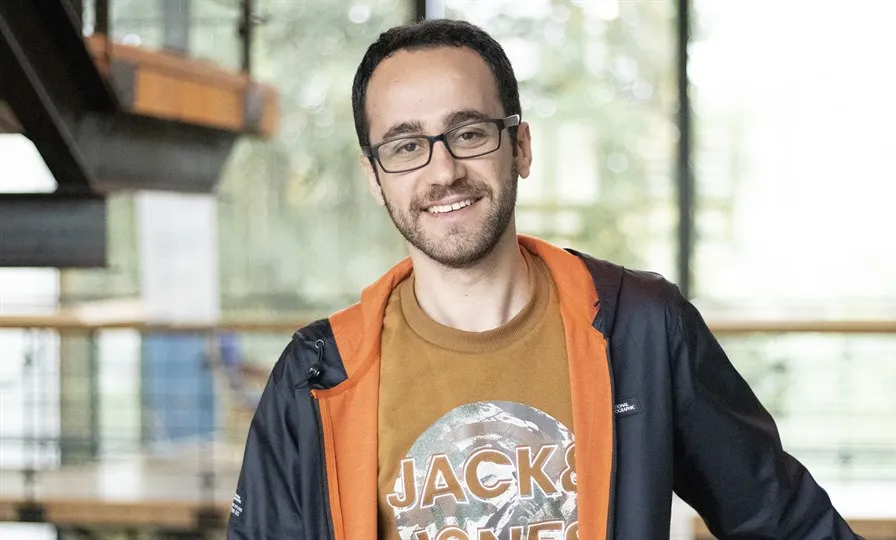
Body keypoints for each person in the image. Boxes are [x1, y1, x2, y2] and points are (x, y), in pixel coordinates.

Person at [228, 18, 861, 540]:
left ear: (521, 148)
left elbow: (786, 523)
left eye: (469, 133)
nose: (443, 171)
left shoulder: (641, 328)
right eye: (405, 146)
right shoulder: (319, 372)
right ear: (375, 177)